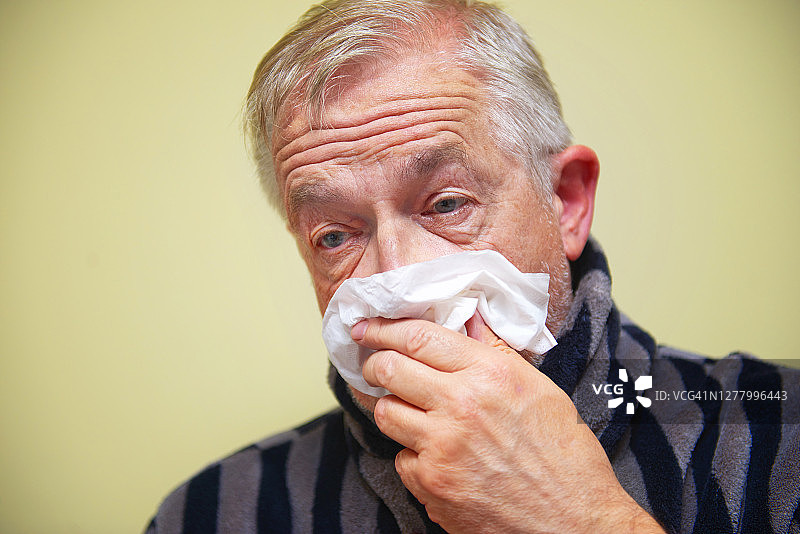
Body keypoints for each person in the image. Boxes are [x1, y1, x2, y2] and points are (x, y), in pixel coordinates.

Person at [146, 1, 799, 532]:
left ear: (566, 201)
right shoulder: (212, 514)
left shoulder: (776, 438)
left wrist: (582, 521)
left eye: (447, 203)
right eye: (335, 235)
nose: (395, 278)